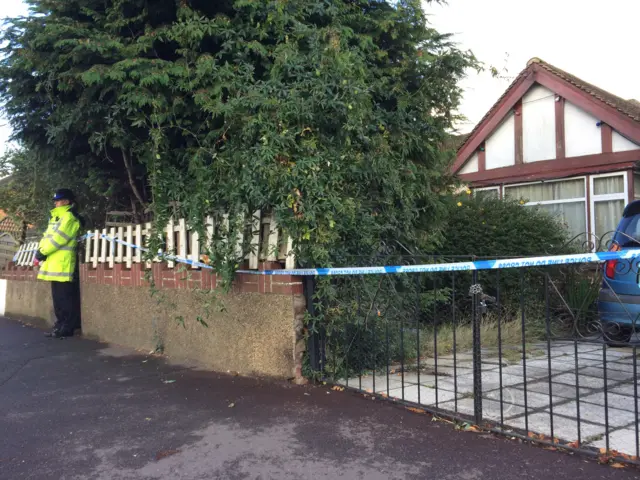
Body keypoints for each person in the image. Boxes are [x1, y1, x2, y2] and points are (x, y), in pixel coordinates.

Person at [35, 189, 84, 338]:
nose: (56, 203)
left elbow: (59, 239)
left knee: (66, 298)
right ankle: (60, 325)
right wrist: (40, 251)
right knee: (58, 299)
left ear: (67, 201)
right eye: (55, 200)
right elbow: (47, 237)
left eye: (59, 200)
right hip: (54, 263)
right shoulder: (56, 217)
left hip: (63, 263)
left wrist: (43, 252)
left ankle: (67, 327)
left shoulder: (69, 217)